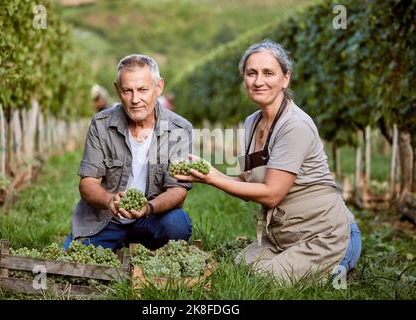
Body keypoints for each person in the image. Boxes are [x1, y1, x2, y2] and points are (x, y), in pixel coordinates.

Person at [175, 40, 362, 283]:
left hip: (324, 235)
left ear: (286, 78)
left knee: (263, 279)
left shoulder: (295, 125)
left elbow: (272, 194)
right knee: (240, 265)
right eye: (251, 73)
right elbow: (246, 184)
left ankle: (340, 266)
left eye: (268, 73)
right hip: (284, 236)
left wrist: (213, 178)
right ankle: (300, 263)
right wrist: (207, 174)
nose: (258, 81)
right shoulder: (252, 122)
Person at [63, 54, 193, 251]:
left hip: (151, 218)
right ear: (117, 90)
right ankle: (115, 242)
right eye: (127, 91)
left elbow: (178, 190)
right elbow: (88, 184)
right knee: (70, 259)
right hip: (107, 220)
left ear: (159, 87)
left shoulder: (179, 129)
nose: (135, 99)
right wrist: (110, 201)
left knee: (177, 224)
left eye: (143, 90)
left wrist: (147, 208)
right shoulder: (101, 125)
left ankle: (144, 248)